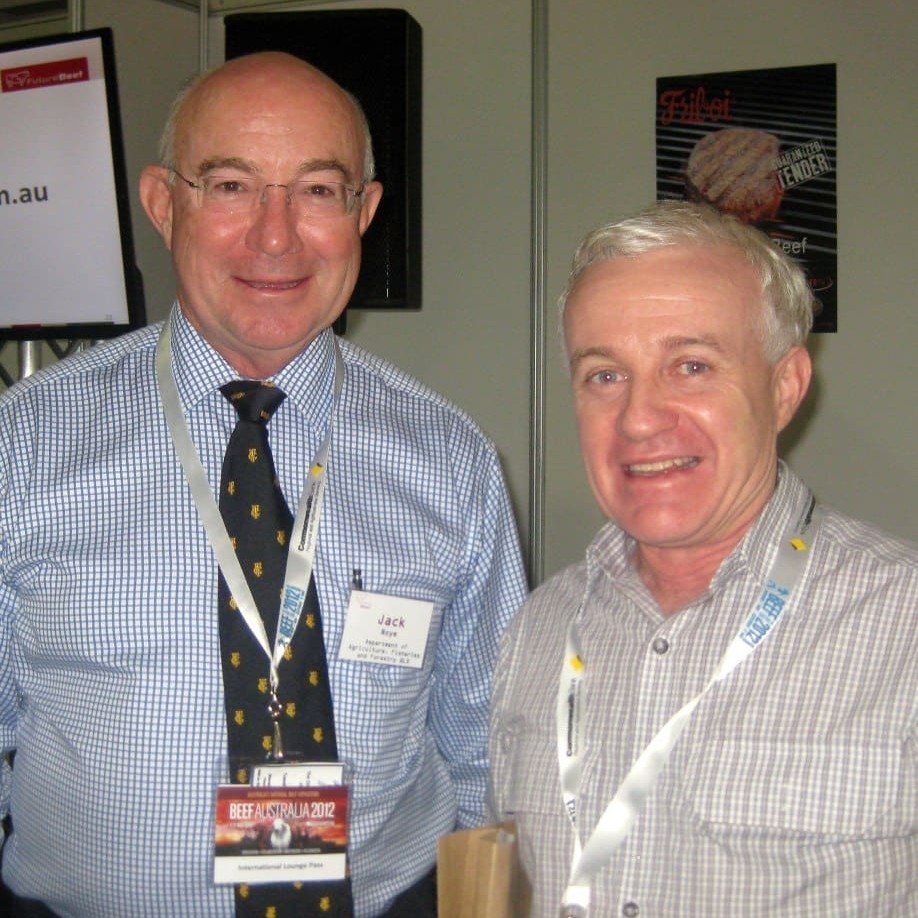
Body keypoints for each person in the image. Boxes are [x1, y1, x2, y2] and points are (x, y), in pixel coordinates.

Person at [0, 52, 527, 917]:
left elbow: (493, 758)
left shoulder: (450, 460)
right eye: (232, 186)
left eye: (318, 190)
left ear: (366, 210)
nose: (276, 236)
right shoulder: (24, 445)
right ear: (164, 204)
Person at [489, 201, 916, 917]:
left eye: (690, 365)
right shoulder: (538, 628)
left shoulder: (904, 627)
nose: (639, 417)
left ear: (784, 388)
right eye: (604, 375)